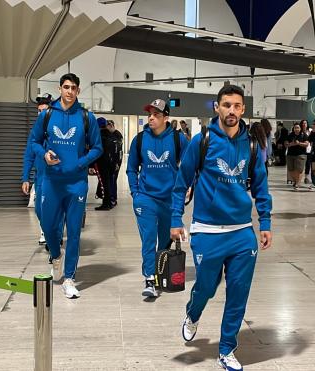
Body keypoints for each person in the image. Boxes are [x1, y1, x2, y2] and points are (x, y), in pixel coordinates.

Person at [171, 85, 271, 371]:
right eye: (226, 105)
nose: (231, 111)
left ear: (243, 109)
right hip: (207, 230)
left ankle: (227, 348)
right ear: (217, 107)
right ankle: (193, 312)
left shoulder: (251, 144)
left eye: (237, 106)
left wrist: (264, 222)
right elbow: (182, 182)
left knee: (238, 292)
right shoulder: (201, 141)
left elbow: (261, 186)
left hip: (241, 232)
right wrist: (176, 219)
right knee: (205, 287)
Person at [28, 73, 103, 299]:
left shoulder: (86, 117)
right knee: (49, 226)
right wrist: (44, 154)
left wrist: (79, 163)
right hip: (51, 181)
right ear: (60, 89)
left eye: (73, 88)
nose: (69, 91)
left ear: (78, 91)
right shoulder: (48, 115)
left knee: (74, 232)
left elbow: (97, 148)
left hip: (77, 184)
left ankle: (69, 278)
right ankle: (55, 254)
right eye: (66, 87)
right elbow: (33, 142)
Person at [127, 98, 189, 297]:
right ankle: (149, 279)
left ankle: (159, 269)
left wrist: (189, 187)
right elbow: (130, 169)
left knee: (165, 240)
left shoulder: (179, 140)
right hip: (145, 198)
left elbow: (189, 168)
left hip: (169, 198)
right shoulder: (139, 140)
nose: (151, 118)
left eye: (156, 115)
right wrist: (135, 193)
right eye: (149, 114)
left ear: (166, 118)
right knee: (148, 239)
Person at [22, 93, 54, 245]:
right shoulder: (35, 133)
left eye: (44, 111)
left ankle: (53, 234)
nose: (41, 114)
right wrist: (25, 178)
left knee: (54, 208)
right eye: (39, 111)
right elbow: (29, 156)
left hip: (56, 178)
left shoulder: (56, 132)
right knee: (39, 209)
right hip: (40, 177)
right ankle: (45, 228)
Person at [285, 123, 309, 190]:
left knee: (299, 170)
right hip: (290, 154)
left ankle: (297, 184)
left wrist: (299, 143)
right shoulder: (290, 135)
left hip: (301, 154)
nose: (296, 129)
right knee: (291, 170)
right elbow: (286, 144)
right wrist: (291, 144)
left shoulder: (304, 135)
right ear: (293, 128)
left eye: (298, 127)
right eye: (295, 127)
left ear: (300, 128)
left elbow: (306, 144)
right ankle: (296, 181)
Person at [107, 120, 123, 207]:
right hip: (112, 161)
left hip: (116, 161)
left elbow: (118, 151)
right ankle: (110, 197)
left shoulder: (117, 135)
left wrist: (117, 163)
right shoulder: (110, 135)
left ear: (112, 126)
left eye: (108, 126)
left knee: (113, 179)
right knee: (110, 179)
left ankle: (113, 198)